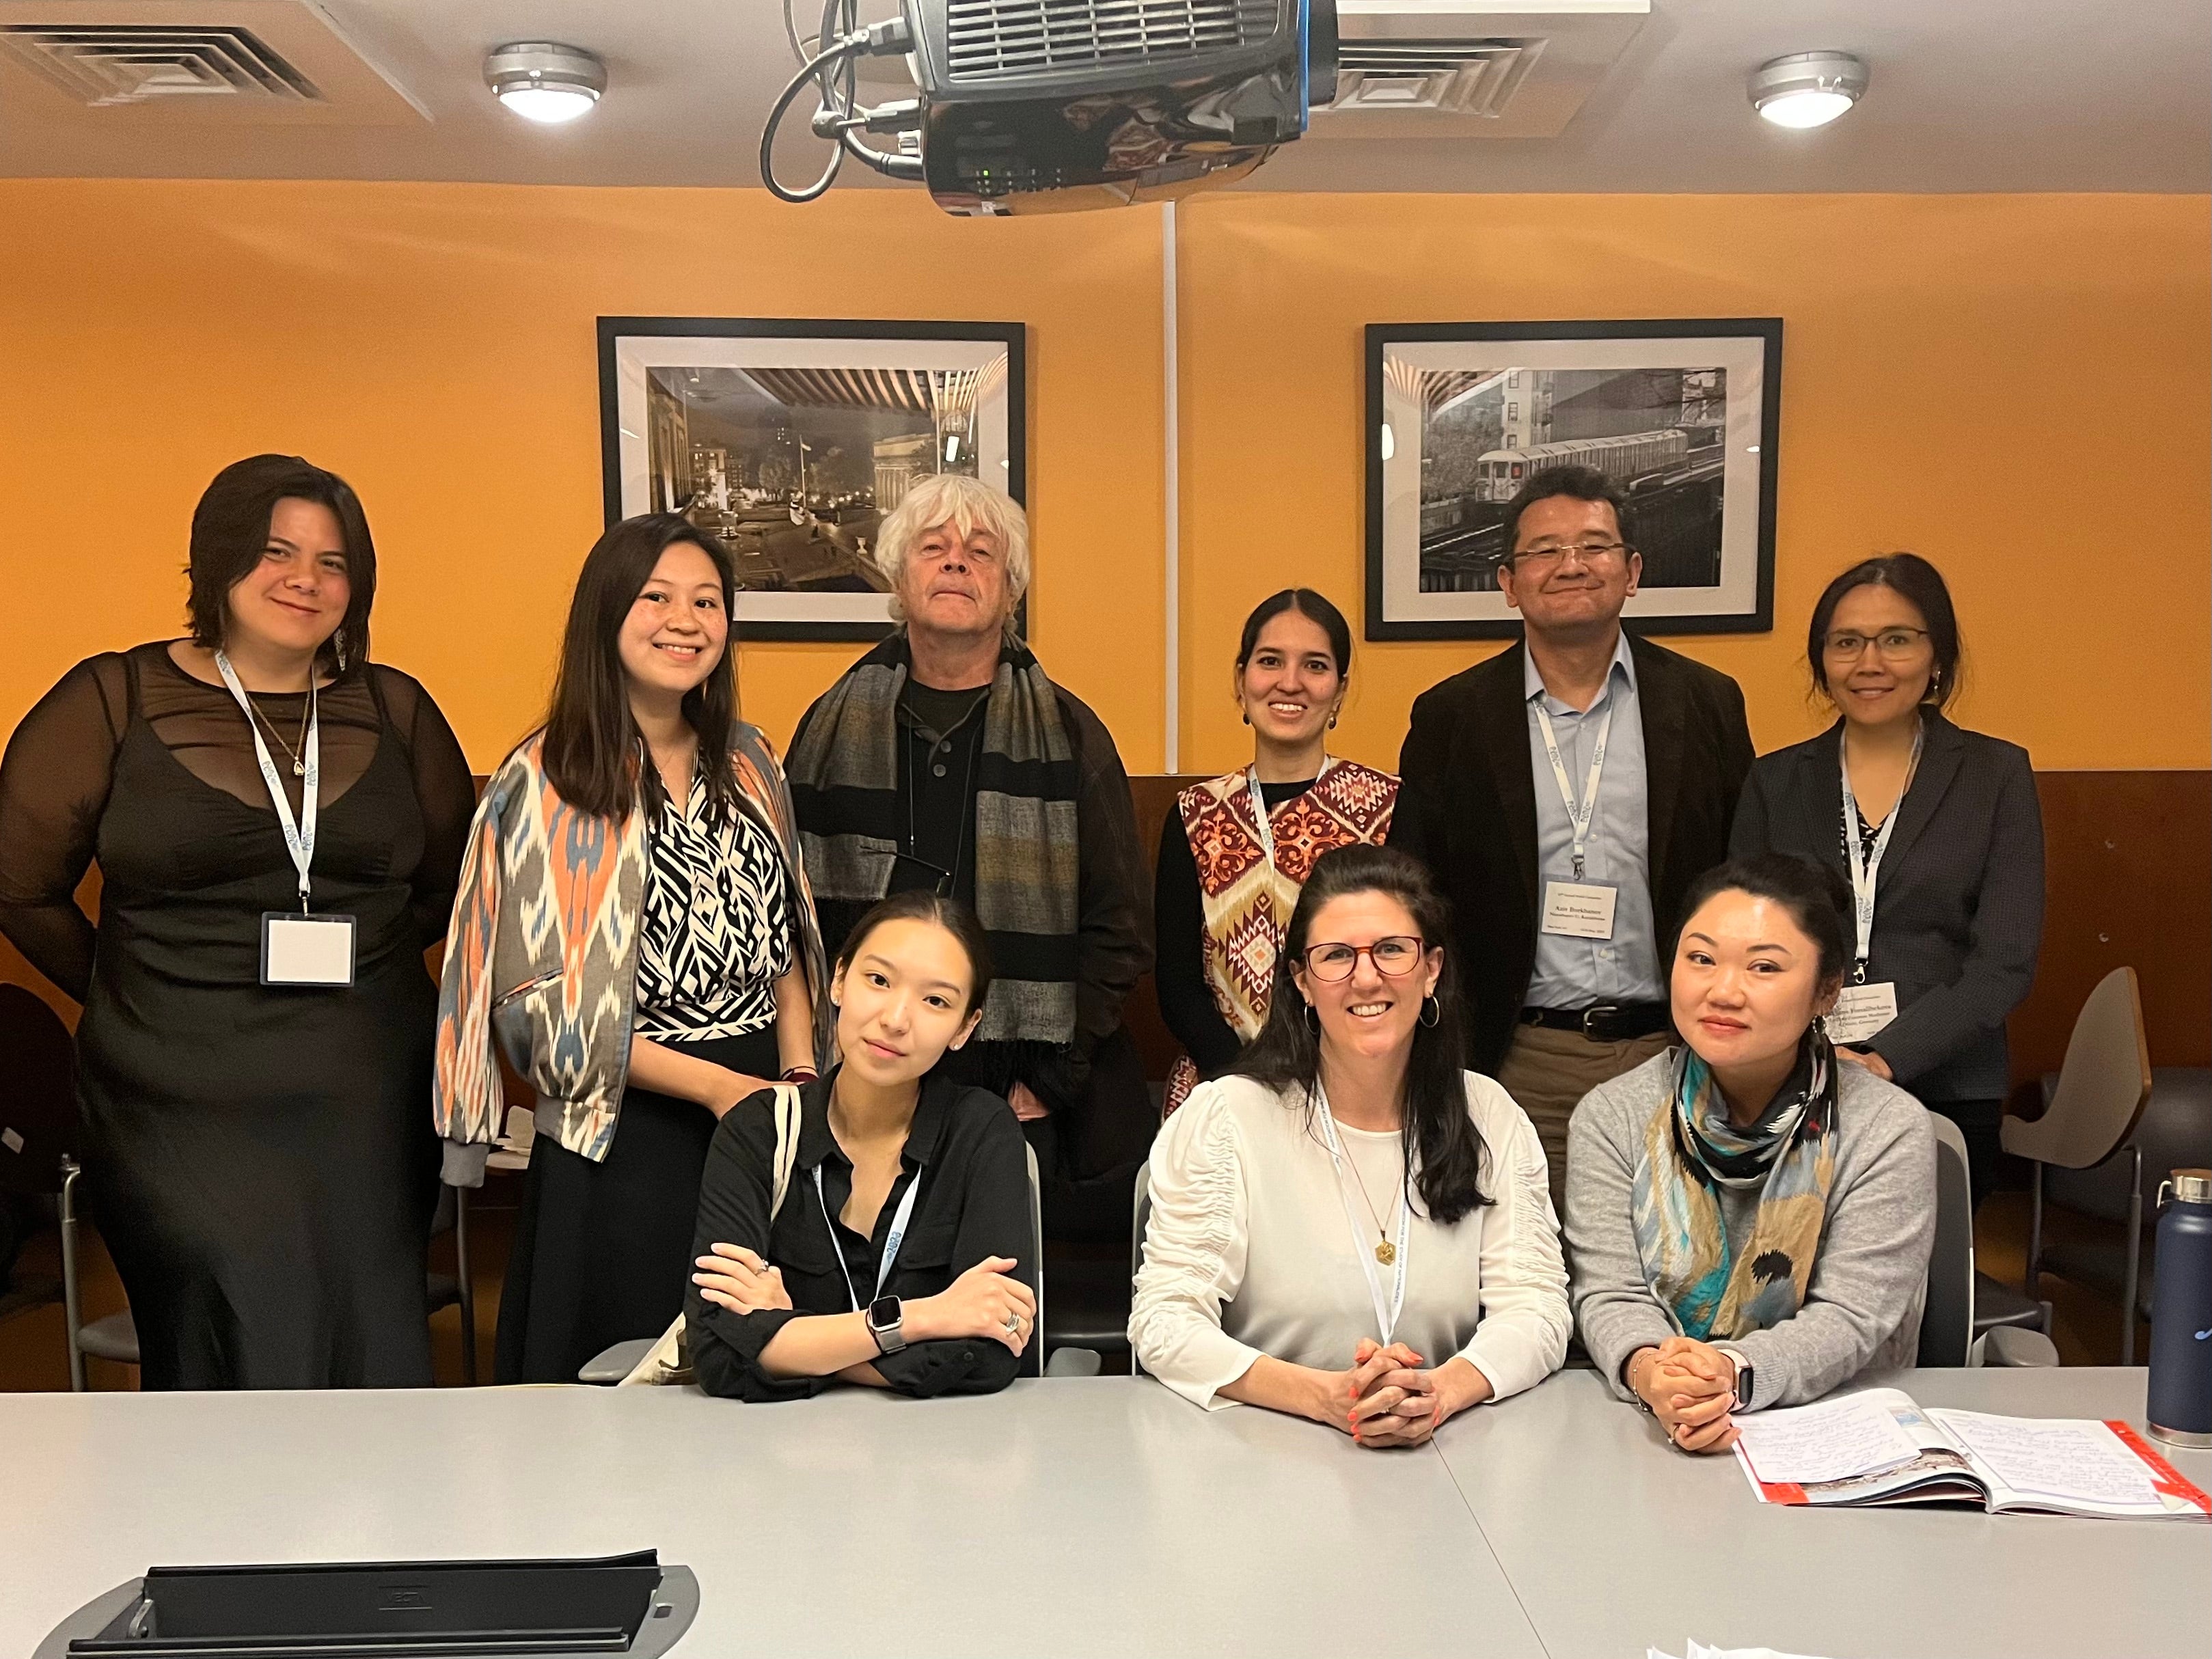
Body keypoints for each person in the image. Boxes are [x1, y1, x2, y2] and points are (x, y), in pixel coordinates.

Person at [0, 454, 475, 1388]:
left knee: (371, 1332)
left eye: (334, 562)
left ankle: (379, 1533)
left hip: (364, 1092)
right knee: (224, 1322)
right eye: (275, 551)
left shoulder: (397, 709)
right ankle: (224, 1530)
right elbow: (18, 886)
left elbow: (458, 882)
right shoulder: (114, 699)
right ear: (215, 561)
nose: (305, 578)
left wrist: (372, 963)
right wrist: (130, 987)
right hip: (176, 1096)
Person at [433, 513, 830, 1386]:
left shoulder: (753, 758)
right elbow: (533, 1017)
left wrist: (798, 1083)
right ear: (606, 612)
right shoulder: (542, 778)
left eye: (707, 602)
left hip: (765, 1115)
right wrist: (723, 1090)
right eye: (656, 598)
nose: (685, 621)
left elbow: (790, 940)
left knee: (760, 1387)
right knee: (621, 1402)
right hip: (622, 1134)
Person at [785, 474, 1152, 1239]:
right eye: (935, 548)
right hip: (866, 1088)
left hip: (1019, 1095)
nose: (957, 563)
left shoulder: (1072, 736)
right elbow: (795, 922)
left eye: (981, 552)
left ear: (1009, 591)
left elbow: (1119, 925)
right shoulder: (826, 728)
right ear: (898, 577)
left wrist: (1051, 1077)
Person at [1391, 464, 1755, 1212]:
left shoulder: (1707, 702)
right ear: (1508, 580)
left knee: (1679, 1269)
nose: (1571, 564)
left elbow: (1742, 880)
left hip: (1675, 1052)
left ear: (1633, 571)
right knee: (1527, 1279)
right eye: (1544, 550)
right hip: (1519, 1057)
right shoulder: (1451, 716)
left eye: (1594, 545)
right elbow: (1416, 891)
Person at [1130, 845, 1570, 1444]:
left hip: (1447, 1453)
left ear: (1431, 968)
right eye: (1336, 956)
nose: (1366, 977)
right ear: (1302, 982)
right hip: (1261, 1452)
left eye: (1391, 950)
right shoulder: (1229, 1116)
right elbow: (1164, 1322)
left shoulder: (1489, 1115)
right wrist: (1326, 1399)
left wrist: (1439, 1394)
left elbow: (1537, 1310)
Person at [1565, 854, 1937, 1453]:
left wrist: (1729, 1375)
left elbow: (1851, 1315)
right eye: (1701, 959)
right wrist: (1653, 1374)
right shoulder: (1612, 1116)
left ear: (1826, 990)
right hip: (1649, 1422)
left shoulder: (1885, 1126)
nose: (1723, 991)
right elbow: (1609, 1293)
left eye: (1763, 967)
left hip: (1832, 1426)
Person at [1730, 554, 2042, 1207]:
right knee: (1783, 1281)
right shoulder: (1774, 781)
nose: (1868, 663)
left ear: (1937, 658)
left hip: (1948, 1080)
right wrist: (1801, 1062)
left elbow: (2004, 961)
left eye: (1896, 639)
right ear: (1822, 661)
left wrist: (1885, 1059)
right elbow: (1742, 944)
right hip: (1795, 1082)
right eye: (1846, 643)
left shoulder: (1995, 775)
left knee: (1929, 1290)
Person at [686, 891, 1036, 1400]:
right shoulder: (757, 1131)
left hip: (943, 1453)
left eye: (935, 1000)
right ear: (838, 978)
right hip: (776, 1454)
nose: (896, 1019)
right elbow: (716, 1356)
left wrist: (789, 1340)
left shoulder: (982, 1132)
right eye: (878, 980)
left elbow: (990, 1355)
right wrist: (924, 1318)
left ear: (965, 1028)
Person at [1154, 590, 1398, 1112]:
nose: (1290, 683)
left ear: (1338, 691)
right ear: (1241, 682)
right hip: (1220, 1089)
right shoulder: (1195, 815)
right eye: (1270, 662)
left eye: (1314, 665)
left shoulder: (1386, 810)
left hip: (1356, 1091)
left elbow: (1401, 967)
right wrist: (1246, 1083)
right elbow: (1177, 984)